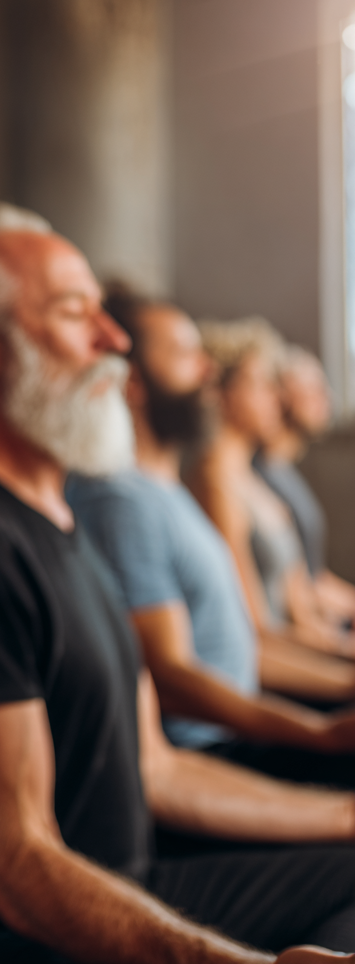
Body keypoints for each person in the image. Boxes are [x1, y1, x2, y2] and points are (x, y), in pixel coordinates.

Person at [0, 207, 355, 964]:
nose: (115, 341)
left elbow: (157, 769)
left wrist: (342, 815)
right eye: (74, 312)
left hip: (129, 880)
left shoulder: (58, 521)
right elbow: (21, 868)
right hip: (26, 939)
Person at [66, 289, 354, 792]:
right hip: (205, 752)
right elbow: (172, 680)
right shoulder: (119, 500)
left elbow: (242, 646)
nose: (208, 373)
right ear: (132, 381)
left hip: (237, 729)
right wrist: (318, 731)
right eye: (184, 355)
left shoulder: (166, 490)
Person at [189, 320, 354, 660]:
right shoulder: (213, 483)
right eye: (261, 384)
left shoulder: (254, 480)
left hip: (300, 650)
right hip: (270, 666)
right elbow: (256, 628)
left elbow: (300, 606)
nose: (276, 398)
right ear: (221, 392)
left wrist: (338, 646)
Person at [256, 346, 355, 623]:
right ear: (282, 395)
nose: (328, 399)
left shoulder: (285, 470)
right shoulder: (261, 477)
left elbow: (314, 573)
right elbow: (298, 587)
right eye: (315, 390)